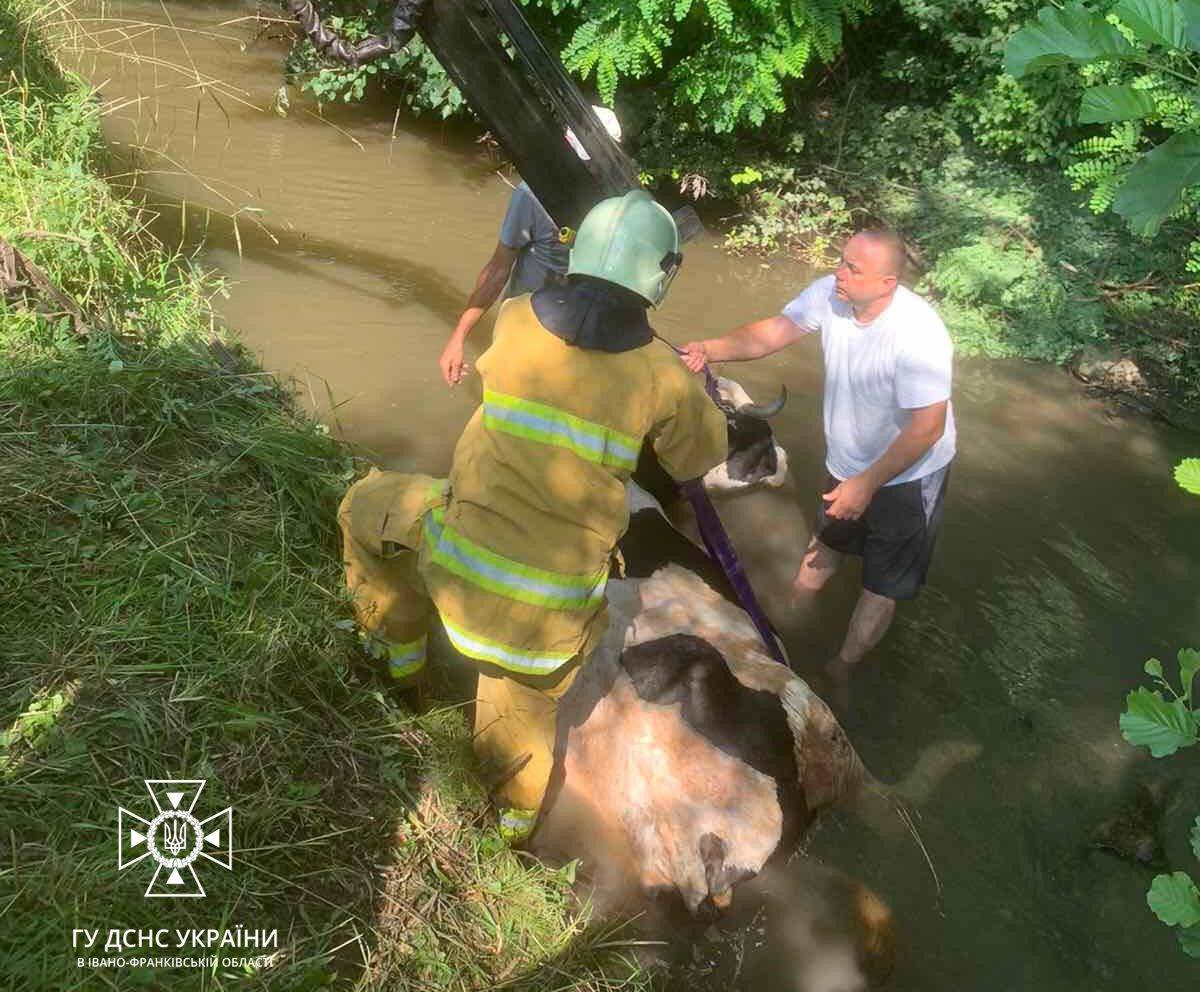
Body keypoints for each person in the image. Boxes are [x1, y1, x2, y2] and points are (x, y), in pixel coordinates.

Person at [341, 190, 728, 844]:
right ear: (661, 276)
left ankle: (399, 665)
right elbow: (702, 456)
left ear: (579, 247)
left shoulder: (516, 317)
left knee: (363, 507)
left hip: (453, 560)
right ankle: (509, 837)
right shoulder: (664, 376)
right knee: (515, 736)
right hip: (547, 619)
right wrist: (698, 389)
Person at [681, 229, 955, 685]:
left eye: (853, 268)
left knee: (881, 585)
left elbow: (928, 428)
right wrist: (711, 349)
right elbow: (772, 332)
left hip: (909, 474)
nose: (838, 272)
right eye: (840, 260)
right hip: (848, 460)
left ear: (888, 283)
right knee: (825, 543)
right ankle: (788, 623)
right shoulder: (832, 296)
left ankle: (841, 669)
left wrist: (866, 485)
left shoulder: (919, 334)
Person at [438, 106, 623, 387]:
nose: (590, 169)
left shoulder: (619, 204)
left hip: (579, 335)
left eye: (597, 162)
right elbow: (499, 269)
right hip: (525, 323)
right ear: (565, 150)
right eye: (584, 161)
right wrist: (458, 337)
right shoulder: (532, 195)